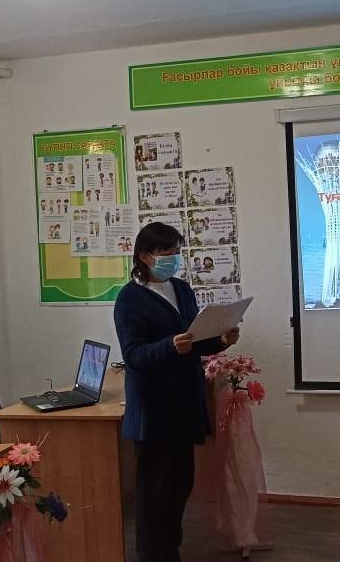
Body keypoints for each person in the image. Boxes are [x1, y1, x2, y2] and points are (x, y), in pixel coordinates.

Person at [114, 223, 240, 562]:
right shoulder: (129, 298)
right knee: (154, 494)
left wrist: (220, 340)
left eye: (176, 252)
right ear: (145, 256)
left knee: (180, 486)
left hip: (185, 404)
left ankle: (170, 551)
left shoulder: (182, 289)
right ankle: (153, 556)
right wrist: (169, 347)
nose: (174, 259)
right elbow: (134, 354)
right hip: (154, 410)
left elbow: (194, 341)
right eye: (167, 253)